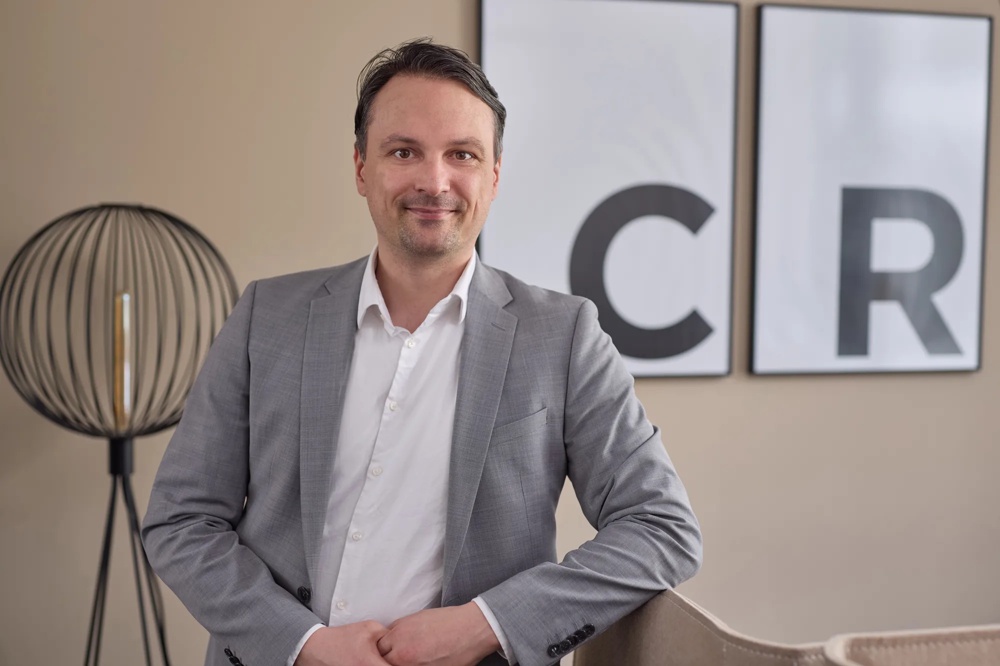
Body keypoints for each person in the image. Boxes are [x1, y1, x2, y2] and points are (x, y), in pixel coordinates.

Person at [142, 38, 702, 666]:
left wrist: (485, 624)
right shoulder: (264, 318)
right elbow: (181, 522)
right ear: (361, 167)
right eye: (403, 151)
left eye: (461, 154)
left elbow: (662, 529)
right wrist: (302, 645)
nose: (434, 182)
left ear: (493, 176)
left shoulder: (564, 336)